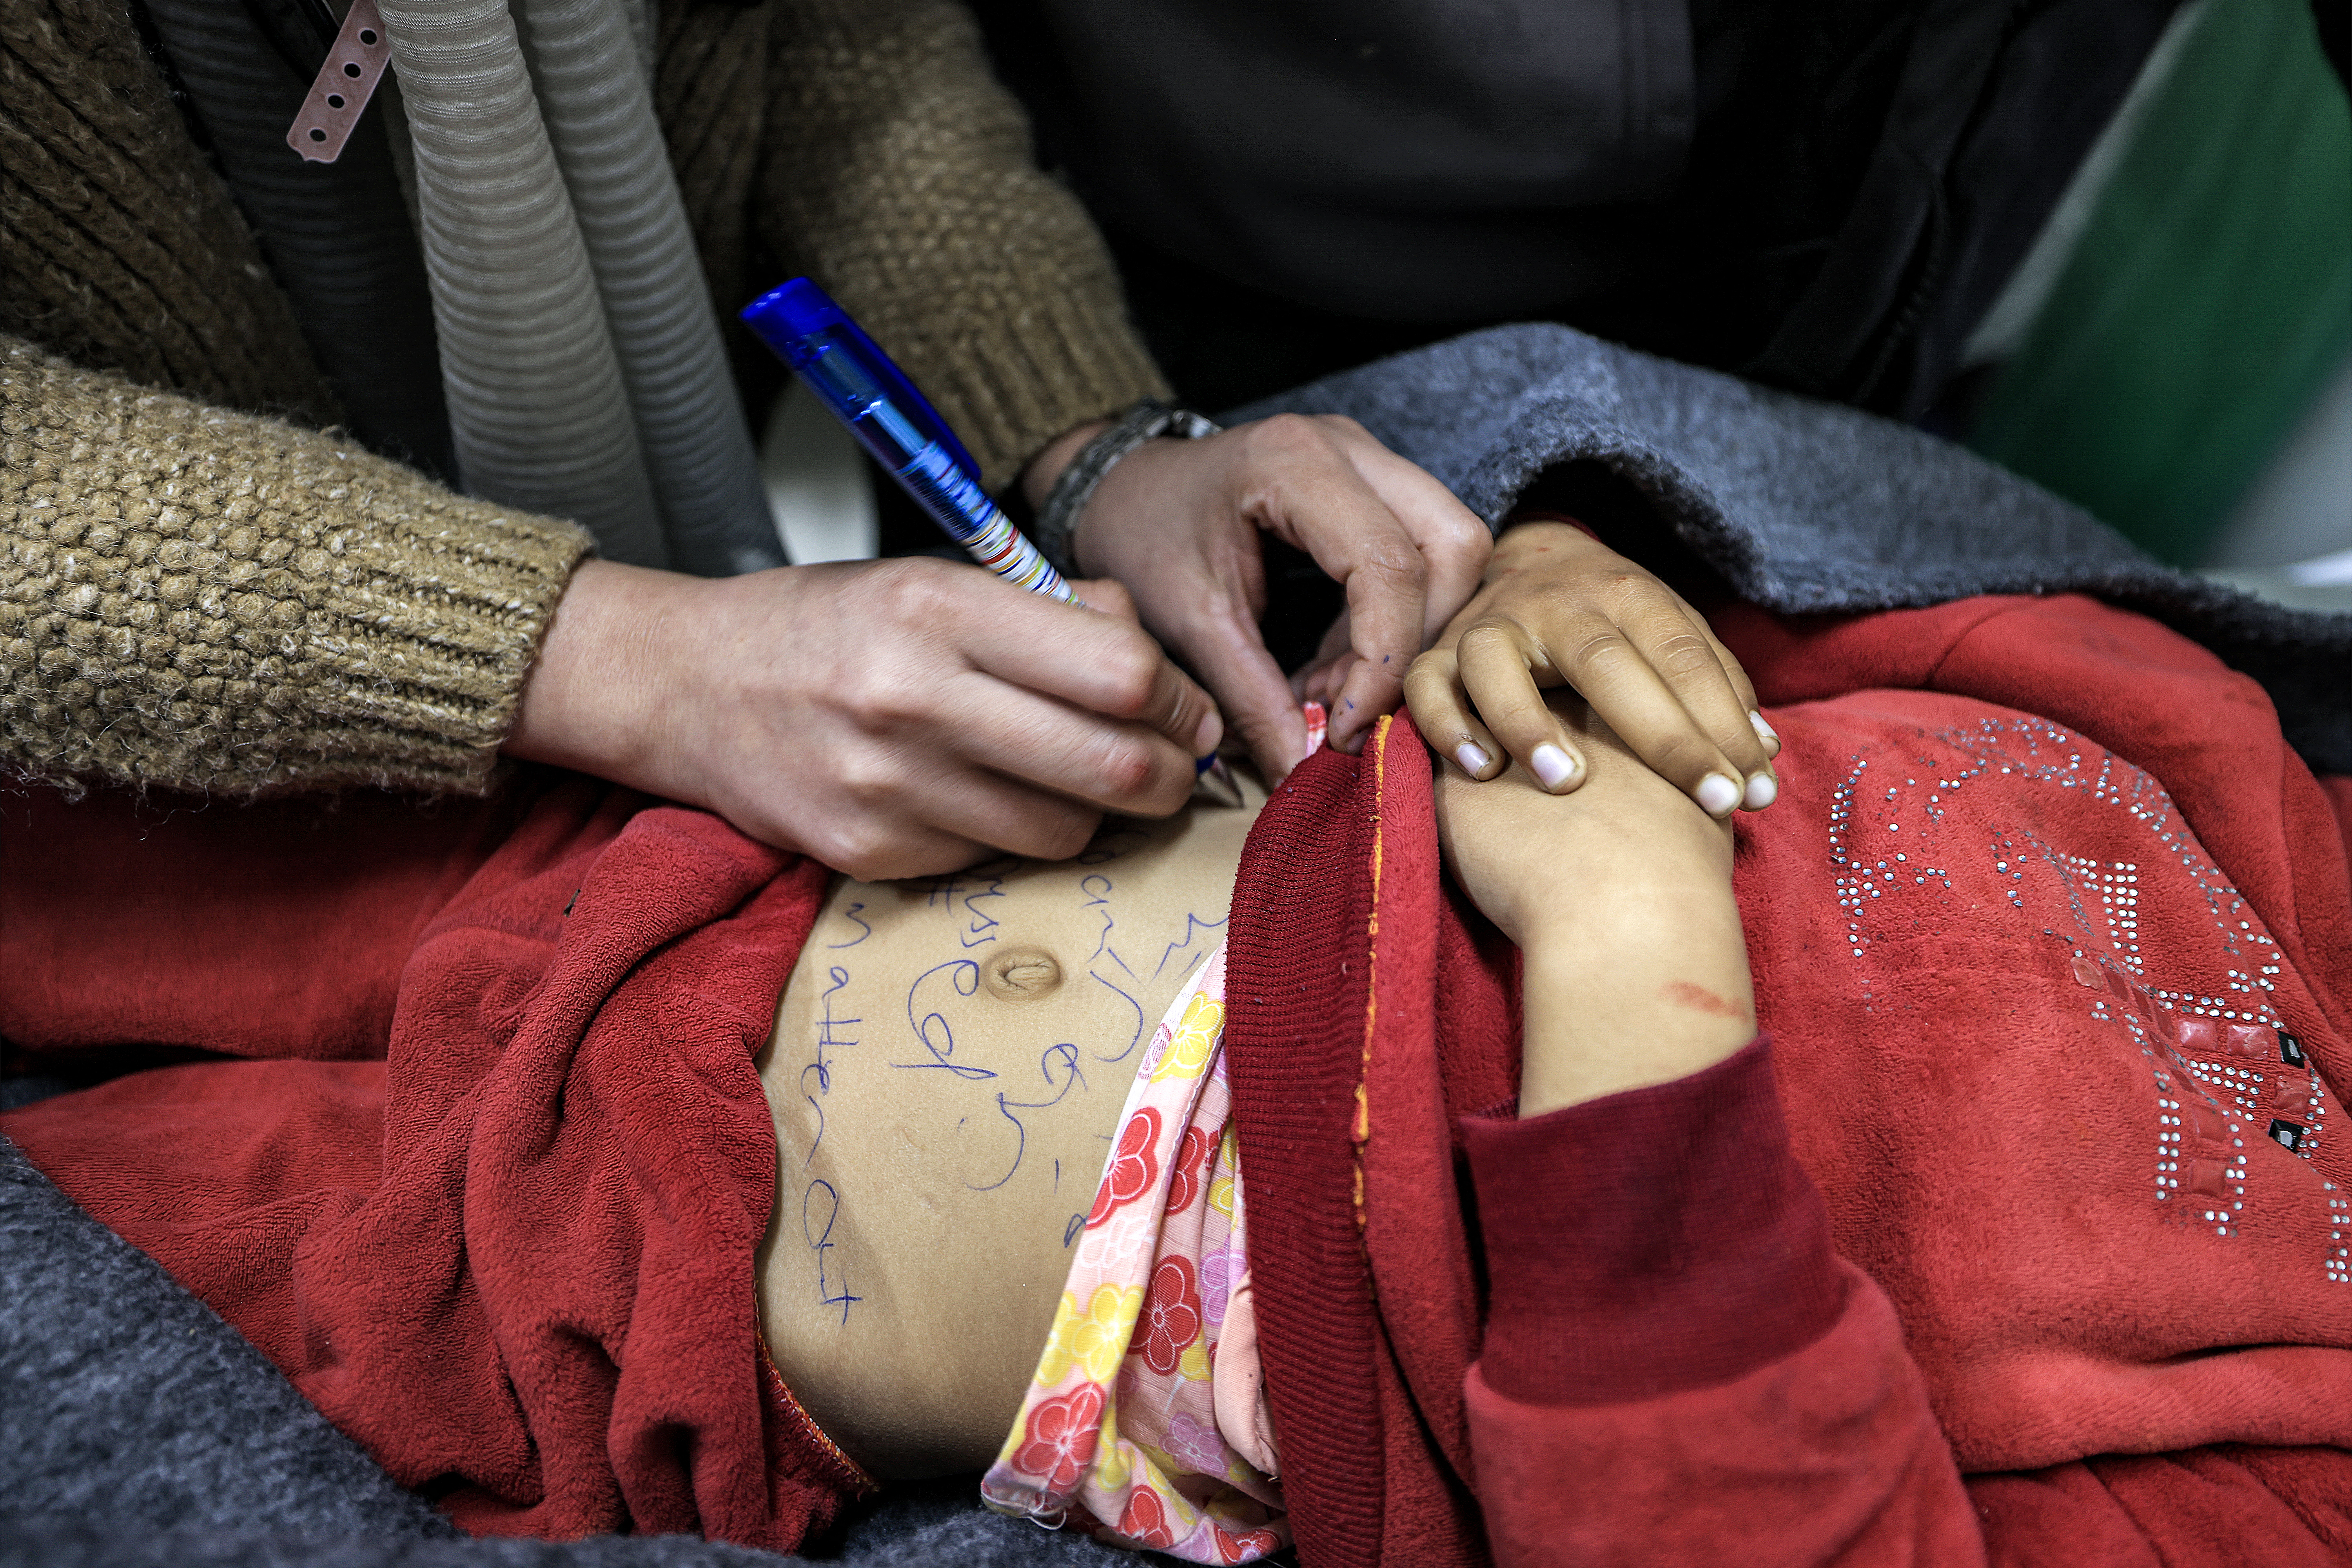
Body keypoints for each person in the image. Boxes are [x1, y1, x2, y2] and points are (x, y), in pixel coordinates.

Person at [5, 514, 2349, 1563]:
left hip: (661, 1282)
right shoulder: (2245, 761)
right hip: (761, 826)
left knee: (98, 1337)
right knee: (104, 799)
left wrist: (1643, 969)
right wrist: (1550, 567)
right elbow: (1797, 595)